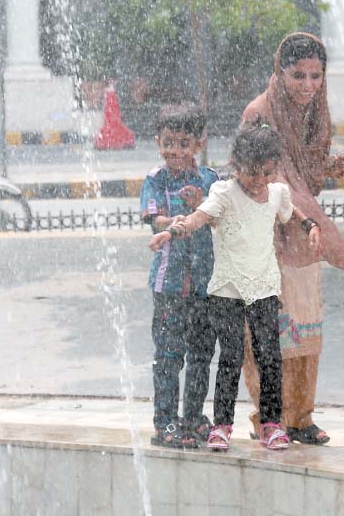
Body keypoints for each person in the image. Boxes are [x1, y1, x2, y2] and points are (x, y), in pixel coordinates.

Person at [150, 124, 322, 452]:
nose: (258, 181)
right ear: (236, 165)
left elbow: (290, 211)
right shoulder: (224, 193)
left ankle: (272, 424)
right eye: (251, 173)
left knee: (269, 357)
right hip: (227, 290)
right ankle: (222, 425)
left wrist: (309, 226)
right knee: (229, 358)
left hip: (265, 288)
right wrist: (172, 232)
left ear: (275, 168)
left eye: (267, 172)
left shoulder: (276, 193)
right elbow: (198, 218)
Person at [240, 32, 344, 446]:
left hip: (303, 242)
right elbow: (265, 174)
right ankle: (270, 418)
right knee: (269, 335)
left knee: (304, 333)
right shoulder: (260, 113)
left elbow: (302, 171)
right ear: (280, 72)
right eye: (298, 76)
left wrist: (330, 167)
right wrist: (303, 216)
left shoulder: (314, 115)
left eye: (315, 76)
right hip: (267, 240)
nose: (308, 85)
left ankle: (301, 417)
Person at [141, 110, 219, 449]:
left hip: (204, 284)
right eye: (168, 143)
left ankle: (193, 418)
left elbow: (220, 217)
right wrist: (171, 220)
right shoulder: (156, 179)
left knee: (201, 355)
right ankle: (165, 422)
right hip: (169, 284)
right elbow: (152, 217)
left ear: (198, 144)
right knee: (169, 355)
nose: (174, 151)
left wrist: (201, 204)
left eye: (183, 144)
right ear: (158, 141)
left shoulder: (209, 179)